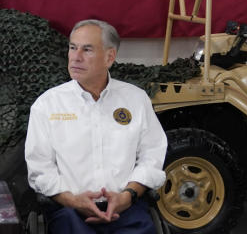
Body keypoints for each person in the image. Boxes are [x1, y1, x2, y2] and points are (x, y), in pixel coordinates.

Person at [25, 19, 167, 234]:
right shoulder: (47, 105)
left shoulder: (136, 99)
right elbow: (40, 169)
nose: (76, 57)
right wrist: (72, 201)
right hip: (70, 212)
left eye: (87, 49)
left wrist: (128, 196)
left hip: (126, 208)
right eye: (73, 48)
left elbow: (152, 156)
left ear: (109, 57)